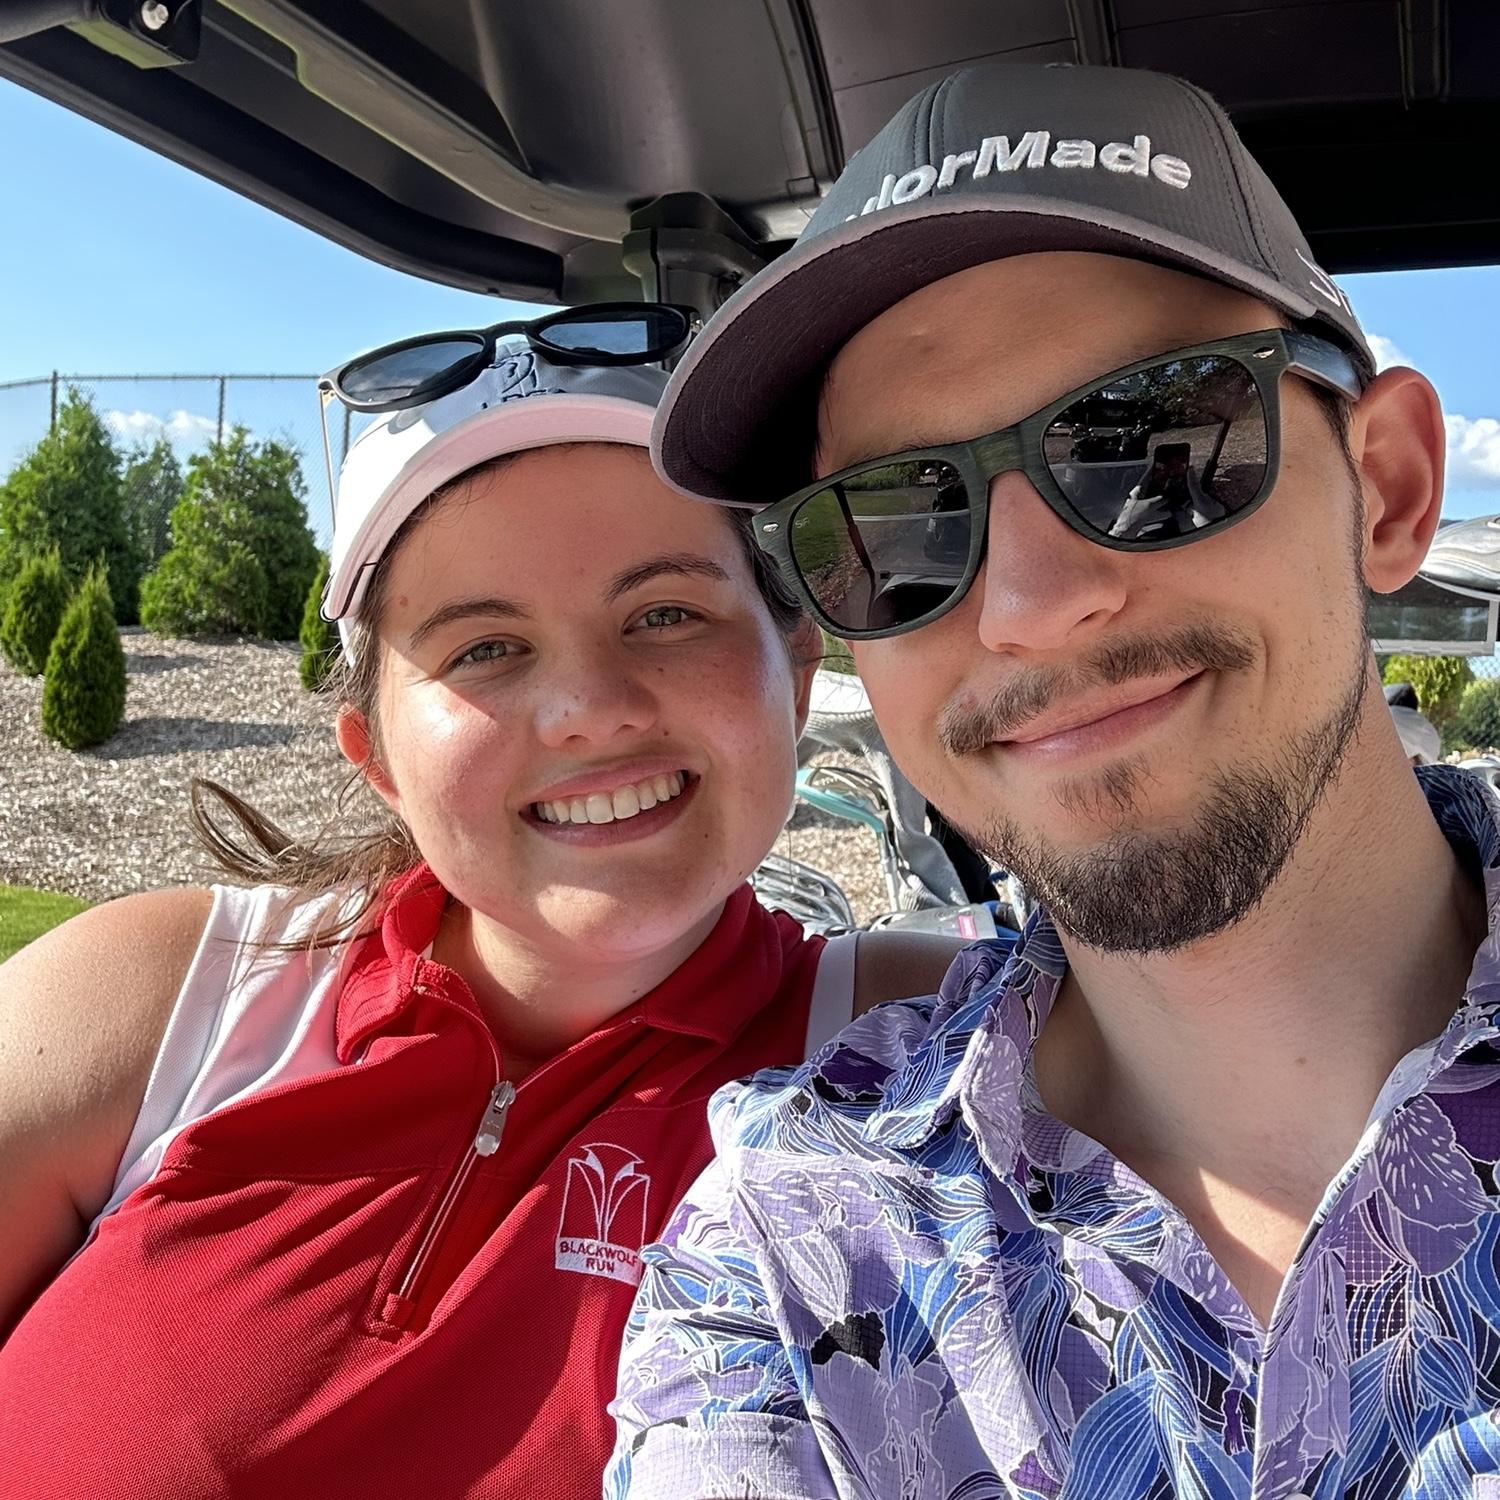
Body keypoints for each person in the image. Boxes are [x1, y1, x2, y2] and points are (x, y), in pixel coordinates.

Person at [610, 63, 1500, 1498]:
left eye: (1151, 445)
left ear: (1388, 488)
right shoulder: (791, 1263)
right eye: (894, 529)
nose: (1026, 601)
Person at [0, 312, 958, 1498]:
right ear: (377, 756)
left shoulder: (928, 1052)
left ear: (797, 672)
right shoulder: (164, 1001)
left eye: (665, 613)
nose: (590, 708)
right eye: (486, 647)